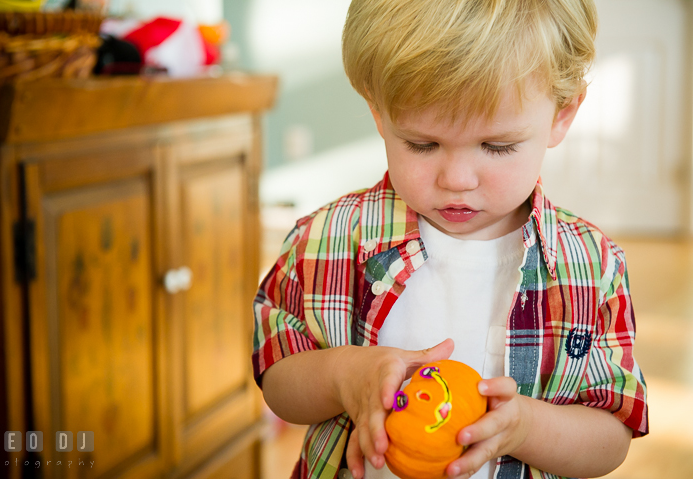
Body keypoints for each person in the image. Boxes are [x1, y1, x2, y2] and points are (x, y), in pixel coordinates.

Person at [252, 1, 648, 478]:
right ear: (379, 114)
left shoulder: (591, 266)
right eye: (423, 144)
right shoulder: (325, 240)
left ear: (562, 115)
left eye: (497, 146)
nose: (457, 179)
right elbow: (276, 379)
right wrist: (343, 377)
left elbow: (612, 437)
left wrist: (524, 428)